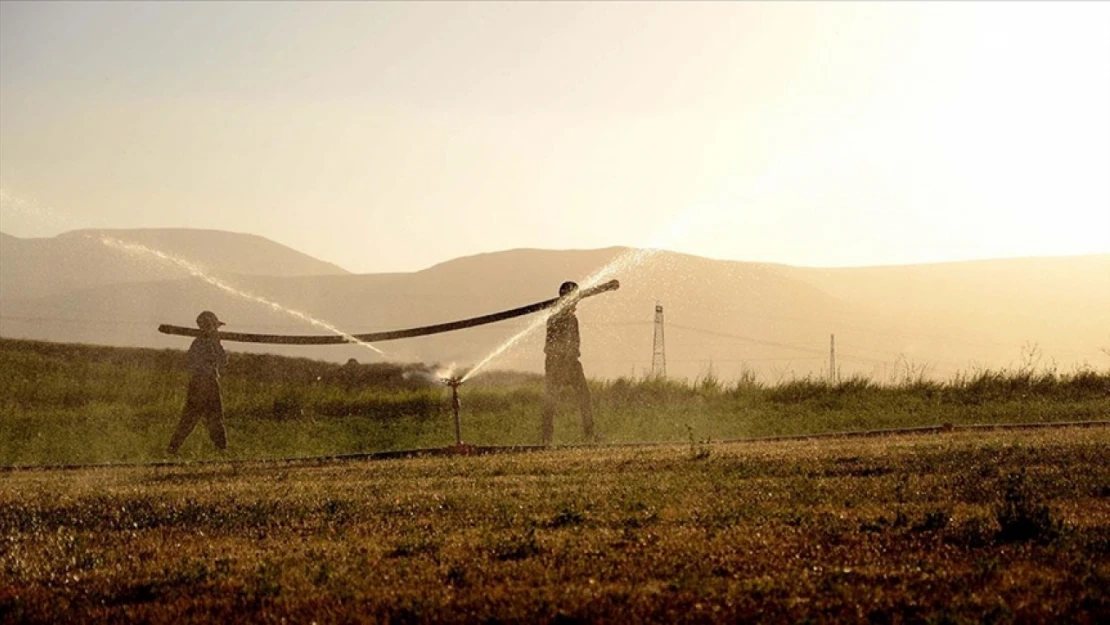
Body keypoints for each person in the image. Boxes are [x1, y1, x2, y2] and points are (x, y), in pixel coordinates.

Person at [542, 281, 596, 445]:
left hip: (571, 363)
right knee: (551, 401)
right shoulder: (556, 319)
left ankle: (589, 435)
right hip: (556, 364)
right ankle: (547, 439)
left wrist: (570, 356)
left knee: (584, 397)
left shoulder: (571, 319)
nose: (577, 302)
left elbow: (574, 344)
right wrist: (563, 358)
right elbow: (551, 346)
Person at [168, 310, 229, 454]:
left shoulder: (200, 343)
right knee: (207, 416)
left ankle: (220, 448)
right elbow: (222, 361)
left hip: (201, 381)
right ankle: (221, 449)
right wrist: (217, 345)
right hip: (206, 382)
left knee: (198, 417)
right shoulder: (205, 343)